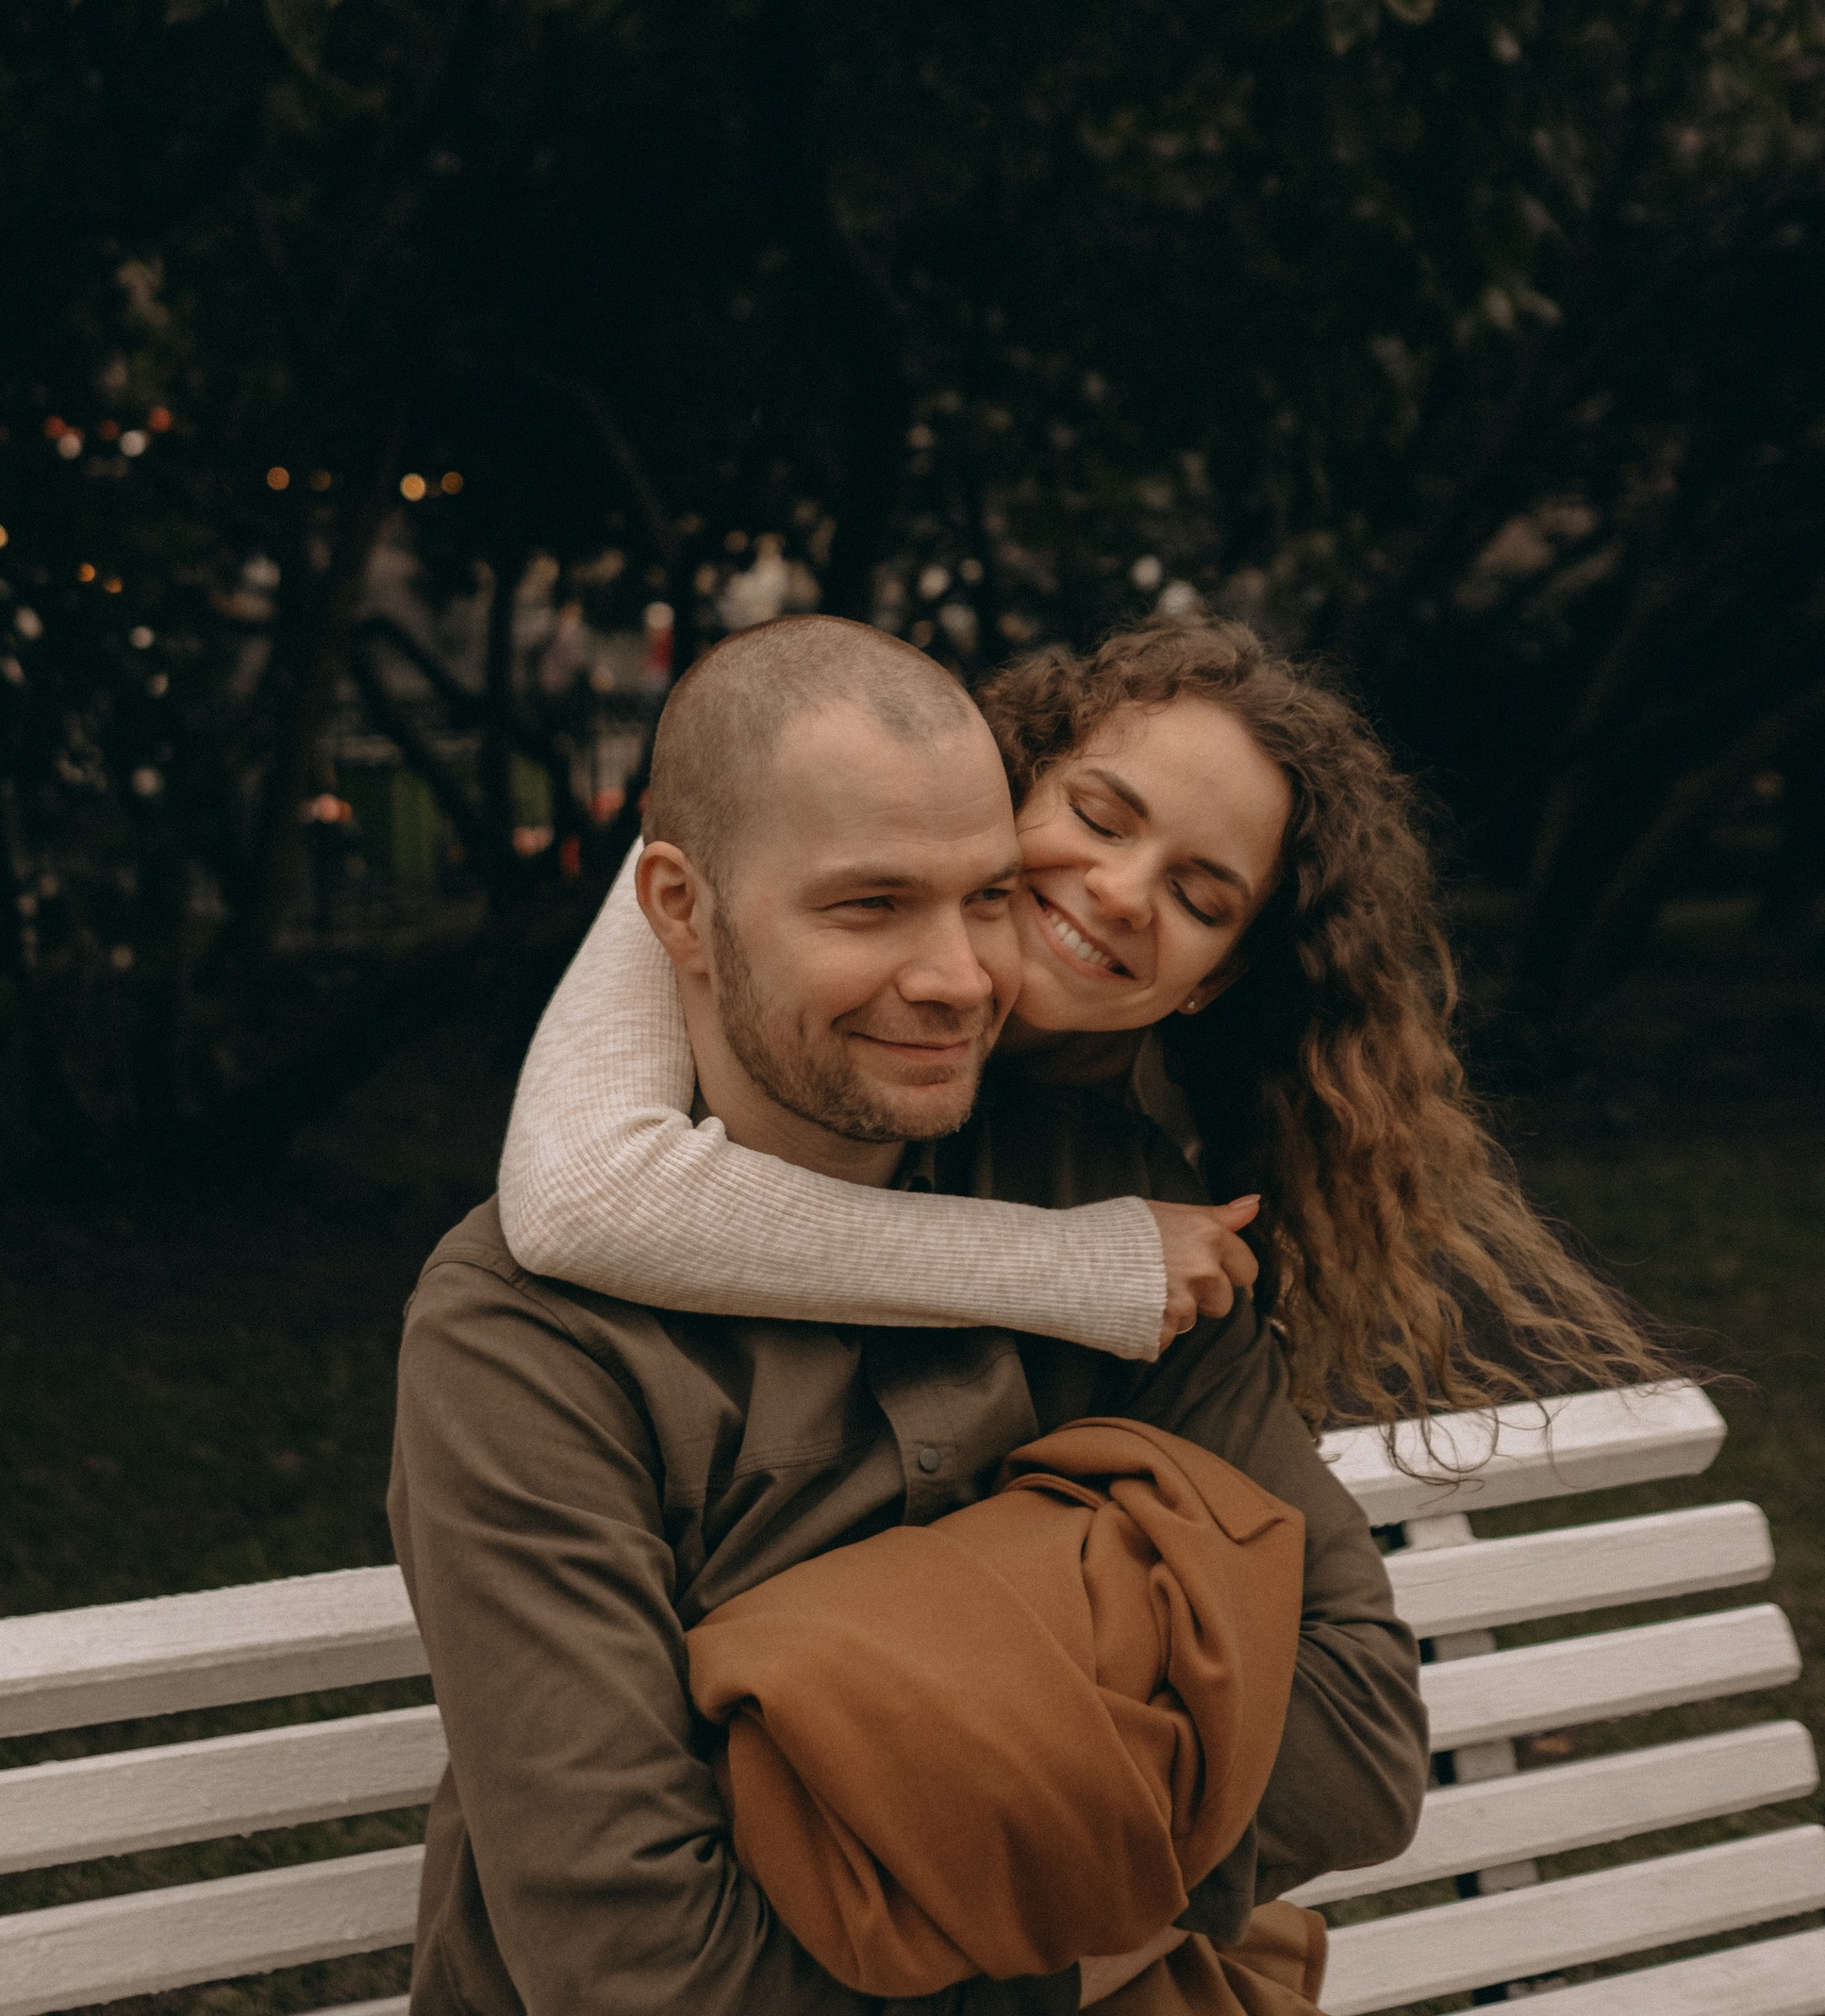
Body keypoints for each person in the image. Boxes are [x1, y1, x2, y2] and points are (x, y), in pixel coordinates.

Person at [389, 617, 1821, 2016]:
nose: (955, 974)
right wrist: (1094, 1857)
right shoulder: (531, 1337)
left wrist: (876, 1768)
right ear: (680, 912)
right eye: (868, 908)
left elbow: (1355, 1743)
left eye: (984, 898)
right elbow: (652, 1988)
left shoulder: (1125, 1222)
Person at [498, 611, 1671, 1431]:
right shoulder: (782, 836)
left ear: (1216, 975)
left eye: (1198, 897)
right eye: (1100, 819)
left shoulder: (1156, 1143)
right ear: (1013, 777)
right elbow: (580, 1199)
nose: (1117, 891)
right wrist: (1079, 1264)